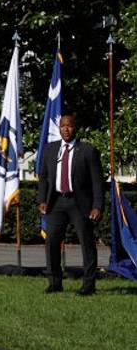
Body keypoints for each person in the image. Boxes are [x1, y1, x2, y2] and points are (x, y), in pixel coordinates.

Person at [38, 113, 105, 296]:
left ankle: (88, 285)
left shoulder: (88, 151)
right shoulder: (50, 149)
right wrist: (42, 200)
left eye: (69, 126)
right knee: (51, 241)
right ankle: (54, 282)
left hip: (79, 203)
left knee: (86, 242)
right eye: (62, 126)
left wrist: (97, 206)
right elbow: (43, 177)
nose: (65, 129)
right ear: (59, 128)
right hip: (56, 202)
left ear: (75, 128)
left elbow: (97, 182)